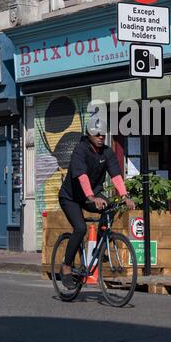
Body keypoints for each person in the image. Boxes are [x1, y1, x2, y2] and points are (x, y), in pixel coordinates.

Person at [58, 117, 135, 289]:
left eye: (103, 134)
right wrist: (92, 197)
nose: (101, 137)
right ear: (89, 134)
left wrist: (124, 195)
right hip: (70, 197)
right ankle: (66, 266)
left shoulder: (107, 152)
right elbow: (82, 176)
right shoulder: (81, 150)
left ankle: (98, 249)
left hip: (91, 195)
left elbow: (115, 175)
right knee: (80, 228)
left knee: (110, 206)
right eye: (96, 134)